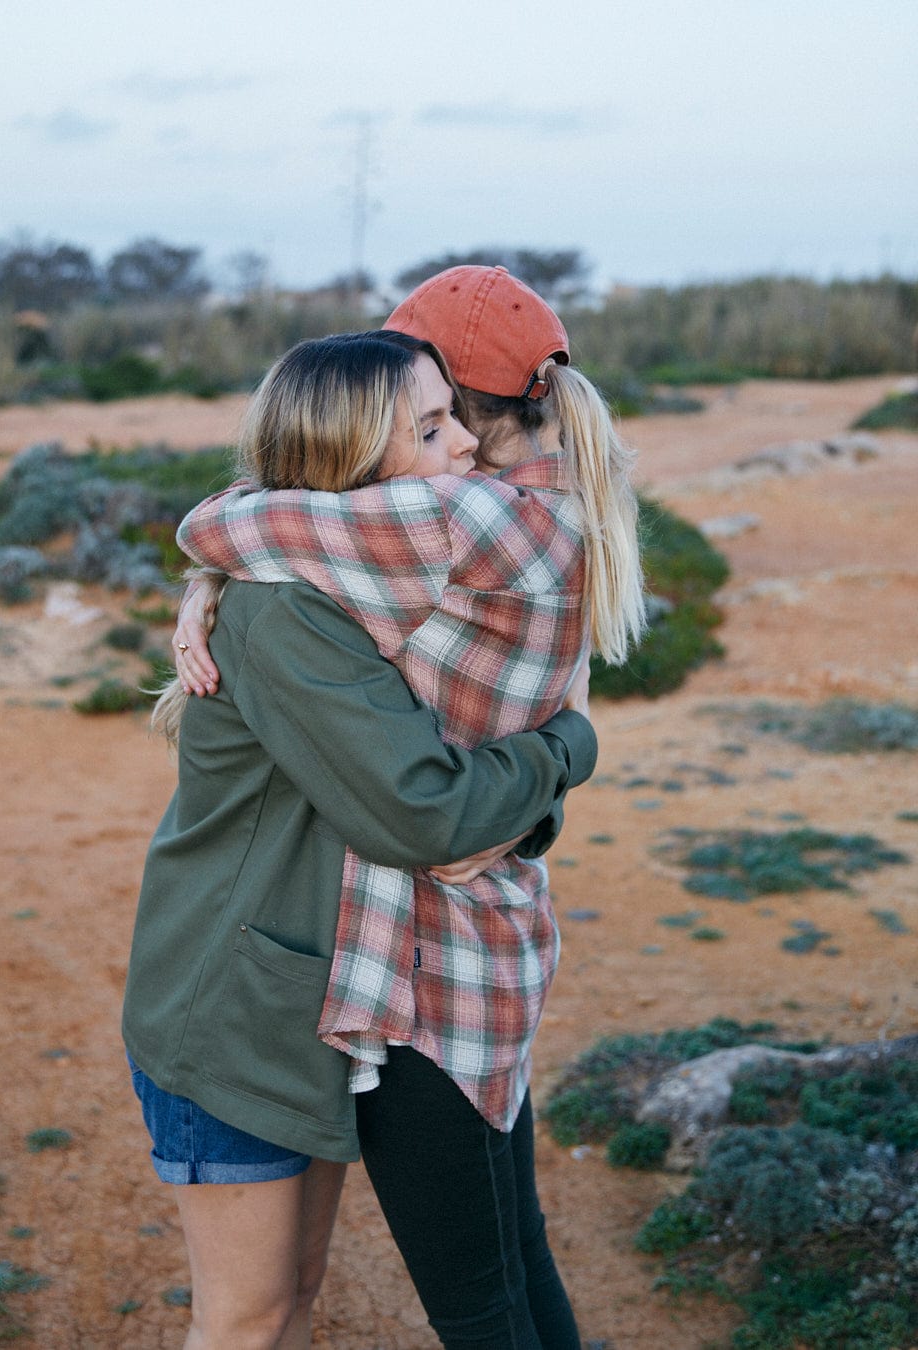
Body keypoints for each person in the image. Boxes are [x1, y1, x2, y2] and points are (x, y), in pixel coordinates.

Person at [172, 266, 646, 1349]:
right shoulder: (561, 500)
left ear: (463, 414)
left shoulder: (460, 516)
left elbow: (230, 526)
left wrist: (209, 566)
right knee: (515, 1262)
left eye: (435, 414)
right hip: (493, 938)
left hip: (429, 966)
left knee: (481, 1304)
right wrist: (556, 770)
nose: (435, 438)